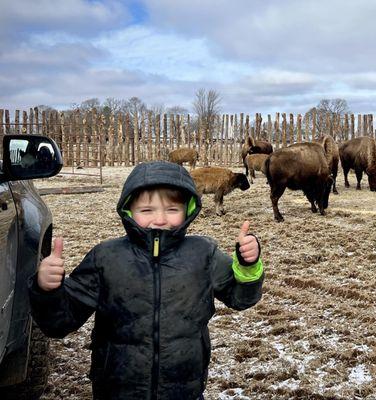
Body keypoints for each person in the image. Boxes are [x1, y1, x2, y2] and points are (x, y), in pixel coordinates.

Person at [28, 161, 264, 400]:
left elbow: (241, 298)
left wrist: (248, 265)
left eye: (172, 209)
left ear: (188, 209)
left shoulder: (203, 253)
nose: (159, 219)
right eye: (147, 210)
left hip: (184, 388)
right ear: (129, 210)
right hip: (117, 389)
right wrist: (48, 290)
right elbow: (59, 322)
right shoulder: (106, 257)